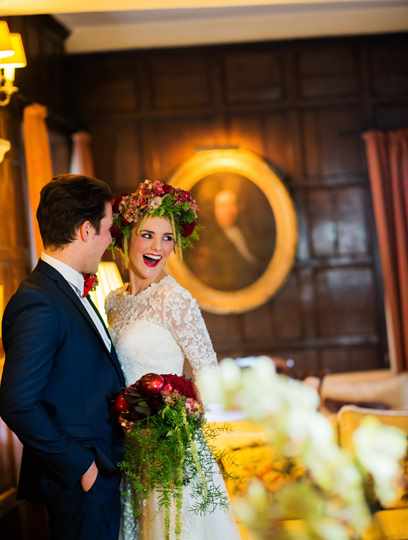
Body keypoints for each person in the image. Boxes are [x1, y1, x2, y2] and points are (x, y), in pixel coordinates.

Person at [106, 179, 240, 540]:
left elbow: (208, 373)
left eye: (167, 238)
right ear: (127, 235)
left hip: (171, 451)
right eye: (148, 235)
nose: (157, 247)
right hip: (130, 451)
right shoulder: (114, 302)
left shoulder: (175, 299)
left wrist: (179, 421)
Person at [0, 174, 126, 540]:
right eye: (106, 229)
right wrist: (81, 466)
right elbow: (16, 401)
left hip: (102, 471)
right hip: (79, 483)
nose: (108, 239)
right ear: (86, 230)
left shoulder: (65, 289)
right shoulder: (39, 300)